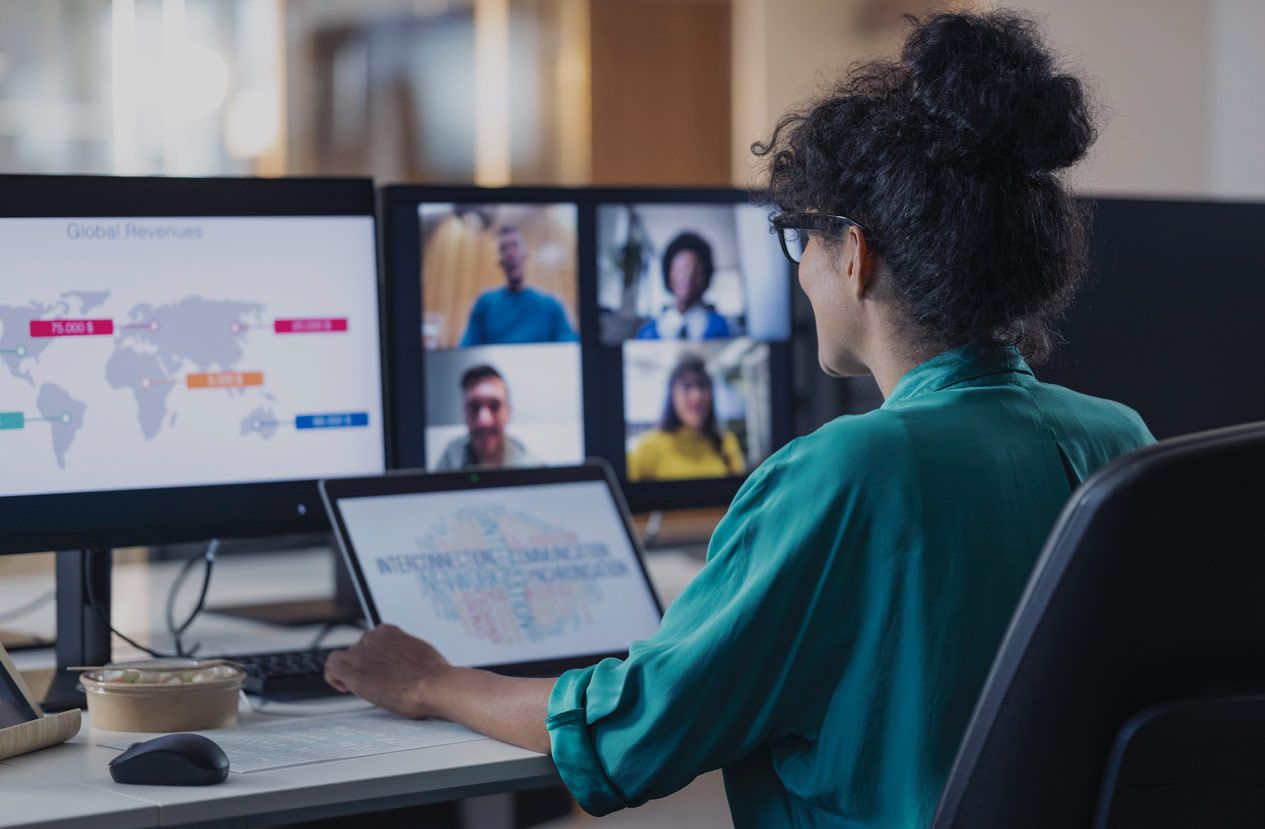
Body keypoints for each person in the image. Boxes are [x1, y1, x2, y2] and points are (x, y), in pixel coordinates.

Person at [326, 12, 1154, 827]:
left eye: (802, 242)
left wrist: (430, 679)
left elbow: (633, 730)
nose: (800, 275)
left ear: (854, 254)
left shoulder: (846, 470)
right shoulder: (1120, 442)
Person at [626, 353, 746, 481]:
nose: (697, 396)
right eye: (687, 386)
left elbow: (743, 498)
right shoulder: (646, 448)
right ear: (672, 394)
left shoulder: (726, 443)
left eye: (702, 385)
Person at [459, 225, 578, 346]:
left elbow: (570, 349)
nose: (510, 253)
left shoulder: (552, 305)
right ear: (499, 261)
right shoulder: (484, 304)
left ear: (525, 254)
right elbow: (465, 350)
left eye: (515, 245)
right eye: (503, 248)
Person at [434, 365, 540, 470]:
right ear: (464, 413)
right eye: (474, 407)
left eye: (494, 406)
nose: (484, 421)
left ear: (508, 412)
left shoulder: (531, 468)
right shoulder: (451, 458)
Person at [636, 231, 731, 340]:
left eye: (696, 269)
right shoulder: (647, 332)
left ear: (706, 275)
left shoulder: (722, 329)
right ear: (668, 274)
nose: (688, 276)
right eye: (682, 268)